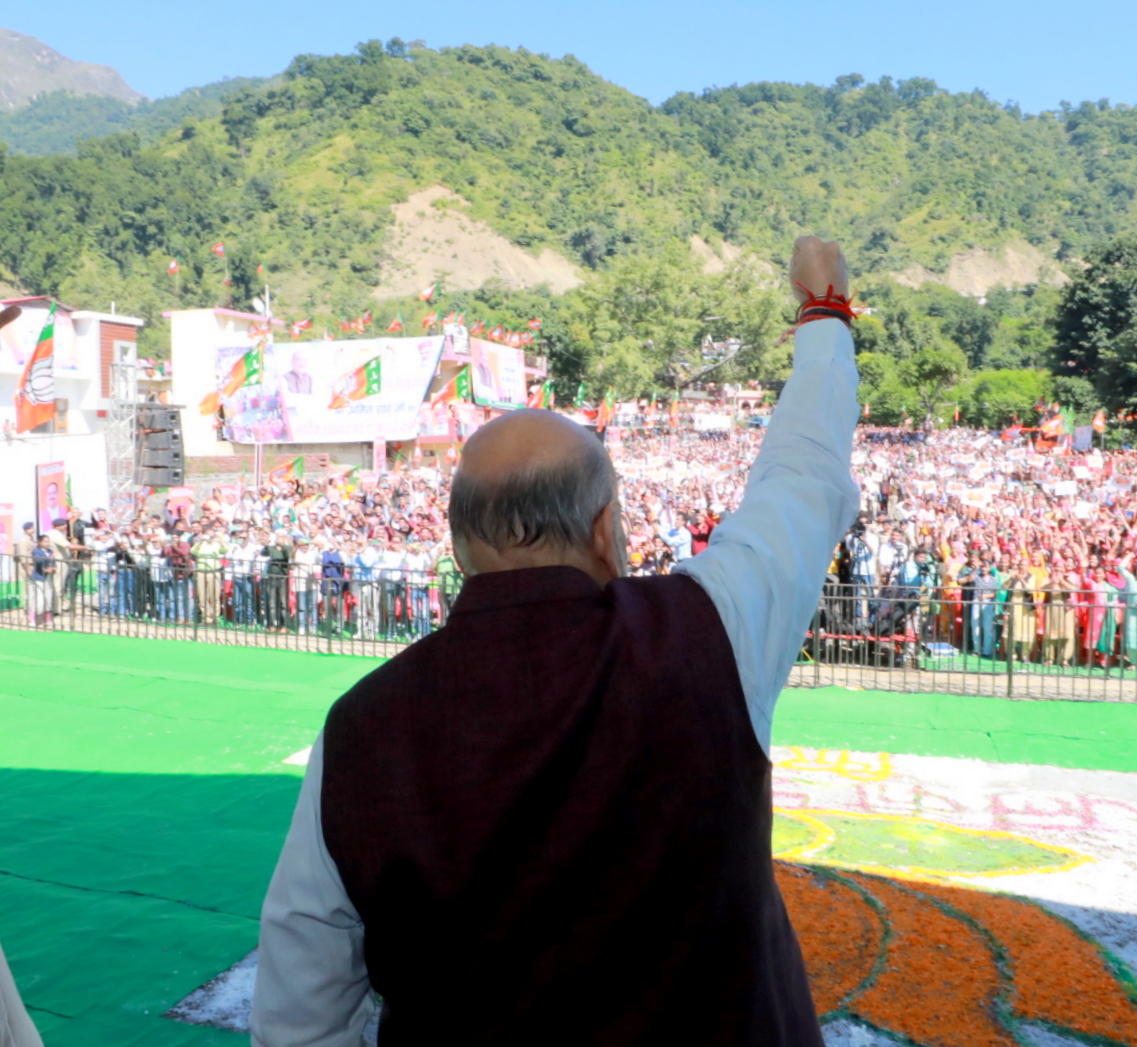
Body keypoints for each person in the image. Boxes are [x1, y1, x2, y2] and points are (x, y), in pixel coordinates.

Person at [252, 235, 858, 1045]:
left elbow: (300, 1014)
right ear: (606, 530)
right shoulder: (712, 628)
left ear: (461, 549)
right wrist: (824, 313)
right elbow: (803, 476)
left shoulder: (361, 726)